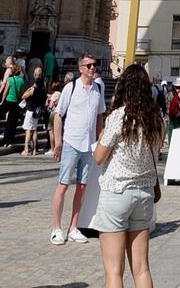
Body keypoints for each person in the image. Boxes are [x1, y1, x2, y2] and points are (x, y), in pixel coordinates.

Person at [90, 63, 165, 288]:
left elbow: (99, 157)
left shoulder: (119, 117)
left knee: (114, 272)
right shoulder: (156, 119)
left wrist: (103, 135)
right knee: (141, 268)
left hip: (117, 192)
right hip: (144, 194)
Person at [52, 52, 108, 244]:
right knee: (63, 185)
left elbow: (100, 114)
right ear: (81, 68)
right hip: (71, 142)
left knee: (82, 188)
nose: (93, 68)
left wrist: (99, 137)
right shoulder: (71, 87)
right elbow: (58, 114)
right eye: (89, 65)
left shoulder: (97, 89)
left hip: (88, 145)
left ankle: (73, 226)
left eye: (95, 64)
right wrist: (57, 142)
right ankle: (57, 228)